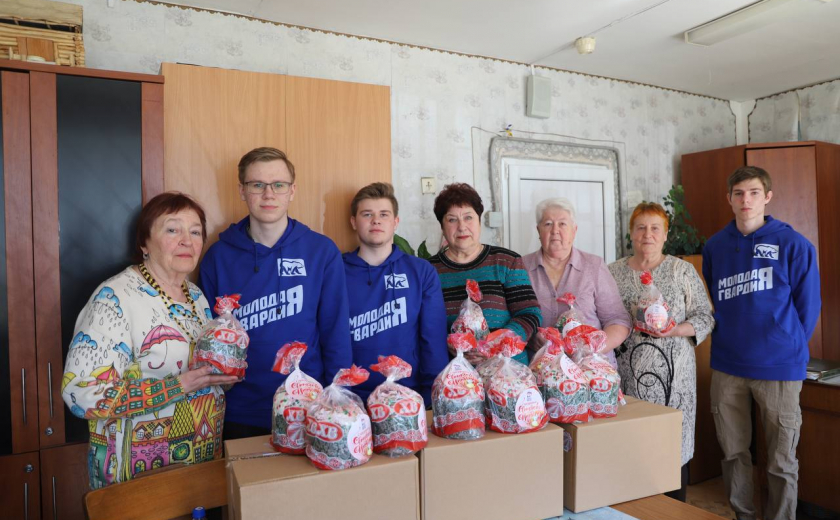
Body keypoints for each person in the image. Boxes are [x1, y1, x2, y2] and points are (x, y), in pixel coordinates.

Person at [61, 192, 239, 488]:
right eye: (172, 230)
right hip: (135, 478)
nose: (187, 240)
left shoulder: (196, 296)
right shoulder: (114, 298)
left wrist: (223, 372)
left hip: (200, 465)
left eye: (195, 232)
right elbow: (80, 393)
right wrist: (178, 386)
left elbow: (198, 371)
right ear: (144, 243)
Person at [199, 147, 352, 439]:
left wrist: (338, 396)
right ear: (242, 191)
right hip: (238, 410)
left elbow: (335, 332)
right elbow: (206, 338)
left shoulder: (321, 251)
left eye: (278, 184)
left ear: (292, 191)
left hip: (307, 405)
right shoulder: (217, 257)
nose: (268, 194)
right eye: (257, 184)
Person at [702, 166, 821, 520]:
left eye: (754, 192)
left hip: (779, 368)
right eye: (739, 193)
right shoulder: (715, 246)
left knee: (782, 460)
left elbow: (808, 307)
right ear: (729, 198)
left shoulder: (794, 244)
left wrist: (785, 344)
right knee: (733, 454)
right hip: (728, 365)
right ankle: (743, 516)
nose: (746, 200)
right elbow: (715, 298)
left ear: (767, 197)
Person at [608, 202, 715, 502]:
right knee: (630, 454)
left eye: (656, 228)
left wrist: (675, 330)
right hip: (626, 383)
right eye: (641, 227)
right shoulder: (612, 272)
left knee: (671, 454)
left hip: (675, 385)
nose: (648, 234)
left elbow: (705, 317)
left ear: (666, 235)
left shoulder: (682, 271)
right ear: (631, 233)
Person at [343, 182, 448, 403]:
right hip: (351, 398)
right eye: (367, 214)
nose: (376, 220)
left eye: (384, 214)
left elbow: (433, 339)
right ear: (353, 222)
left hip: (407, 396)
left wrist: (431, 398)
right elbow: (328, 337)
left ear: (395, 222)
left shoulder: (421, 271)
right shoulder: (336, 271)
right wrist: (339, 394)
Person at [428, 183, 541, 365]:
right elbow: (424, 324)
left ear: (479, 221)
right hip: (455, 374)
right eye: (452, 220)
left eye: (468, 217)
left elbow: (529, 313)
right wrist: (447, 342)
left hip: (508, 370)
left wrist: (497, 342)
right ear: (442, 226)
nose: (462, 227)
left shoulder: (506, 261)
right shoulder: (428, 270)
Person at [523, 198, 631, 364]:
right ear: (538, 230)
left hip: (591, 369)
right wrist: (530, 338)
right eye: (548, 224)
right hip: (540, 369)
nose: (555, 230)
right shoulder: (521, 267)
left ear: (574, 230)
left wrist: (592, 349)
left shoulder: (594, 266)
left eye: (562, 224)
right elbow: (511, 319)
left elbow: (618, 320)